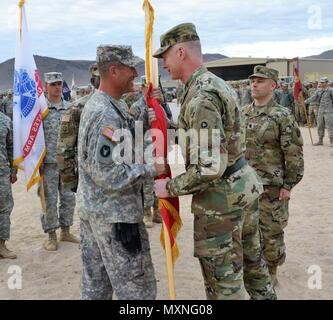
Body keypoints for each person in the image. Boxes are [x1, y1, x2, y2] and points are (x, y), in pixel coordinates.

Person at [153, 23, 276, 300]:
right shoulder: (211, 84)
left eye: (165, 57)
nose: (163, 65)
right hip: (242, 189)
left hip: (221, 203)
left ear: (181, 52)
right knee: (255, 270)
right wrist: (166, 125)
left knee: (224, 287)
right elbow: (209, 138)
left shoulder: (201, 96)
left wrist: (170, 187)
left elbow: (209, 166)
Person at [77, 44, 166, 300]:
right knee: (138, 291)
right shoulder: (105, 113)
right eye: (131, 68)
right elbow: (109, 175)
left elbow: (121, 140)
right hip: (116, 220)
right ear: (114, 70)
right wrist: (151, 168)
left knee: (96, 288)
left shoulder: (104, 105)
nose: (135, 73)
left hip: (97, 213)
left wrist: (144, 107)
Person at [243, 65, 304, 286]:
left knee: (271, 234)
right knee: (247, 233)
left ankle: (271, 272)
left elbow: (294, 154)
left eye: (260, 81)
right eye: (252, 81)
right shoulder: (243, 113)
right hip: (246, 188)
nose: (254, 84)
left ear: (273, 85)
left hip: (272, 188)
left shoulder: (282, 115)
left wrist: (289, 185)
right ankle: (251, 271)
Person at [40, 72, 78, 251]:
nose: (56, 87)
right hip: (47, 163)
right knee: (49, 199)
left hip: (66, 163)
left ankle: (66, 231)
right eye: (52, 84)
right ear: (45, 87)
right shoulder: (40, 110)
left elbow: (75, 134)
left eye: (59, 84)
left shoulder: (70, 108)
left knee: (68, 198)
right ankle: (51, 235)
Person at [57, 63, 100, 192]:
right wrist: (71, 181)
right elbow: (64, 149)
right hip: (90, 180)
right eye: (100, 78)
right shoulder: (77, 108)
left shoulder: (121, 105)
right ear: (93, 81)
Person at [0, 111, 17, 259]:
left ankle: (1, 245)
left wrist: (13, 170)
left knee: (5, 208)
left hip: (2, 173)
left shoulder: (5, 120)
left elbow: (11, 147)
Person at [305, 77, 333, 146]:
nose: (322, 84)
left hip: (329, 110)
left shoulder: (330, 90)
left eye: (323, 82)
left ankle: (332, 140)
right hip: (320, 110)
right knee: (320, 125)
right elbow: (313, 97)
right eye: (321, 82)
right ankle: (320, 140)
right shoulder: (318, 91)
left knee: (330, 125)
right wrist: (305, 101)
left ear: (327, 83)